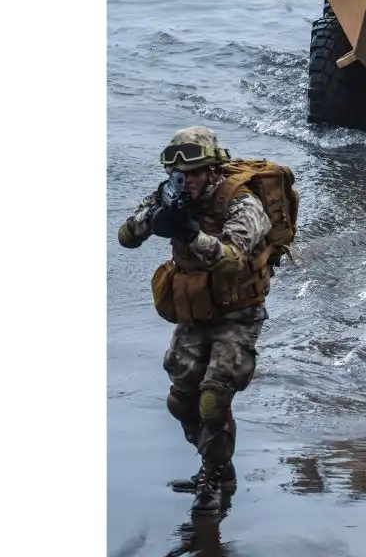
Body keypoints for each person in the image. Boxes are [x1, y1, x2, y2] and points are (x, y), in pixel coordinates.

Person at [116, 126, 295, 518]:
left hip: (239, 312)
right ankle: (219, 465)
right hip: (195, 311)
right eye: (180, 174)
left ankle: (210, 478)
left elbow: (233, 259)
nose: (188, 180)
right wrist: (157, 216)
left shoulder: (242, 202)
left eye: (196, 172)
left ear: (213, 169)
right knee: (181, 400)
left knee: (213, 399)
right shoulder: (171, 193)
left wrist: (190, 234)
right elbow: (125, 237)